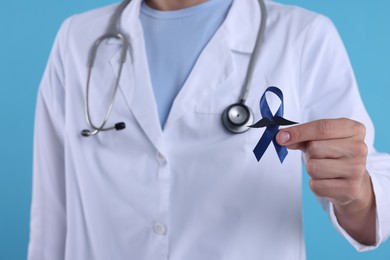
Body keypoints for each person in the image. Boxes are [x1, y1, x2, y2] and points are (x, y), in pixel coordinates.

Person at [28, 0, 390, 259]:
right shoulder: (78, 39)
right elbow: (51, 214)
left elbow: (368, 197)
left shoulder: (302, 36)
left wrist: (355, 193)